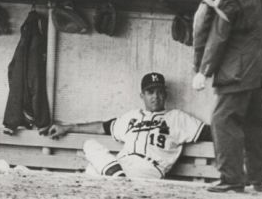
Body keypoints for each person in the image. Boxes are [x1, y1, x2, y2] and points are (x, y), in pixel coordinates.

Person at [192, 0, 262, 193]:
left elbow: (219, 37)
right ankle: (256, 178)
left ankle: (231, 178)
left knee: (222, 120)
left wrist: (203, 71)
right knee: (253, 123)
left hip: (238, 71)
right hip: (257, 69)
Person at [43, 73, 209, 179]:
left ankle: (116, 179)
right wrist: (68, 127)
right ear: (142, 95)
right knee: (89, 145)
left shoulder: (177, 118)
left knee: (92, 174)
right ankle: (118, 179)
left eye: (159, 92)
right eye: (150, 92)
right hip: (122, 163)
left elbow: (211, 132)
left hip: (149, 168)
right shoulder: (132, 116)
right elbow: (102, 127)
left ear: (165, 94)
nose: (156, 97)